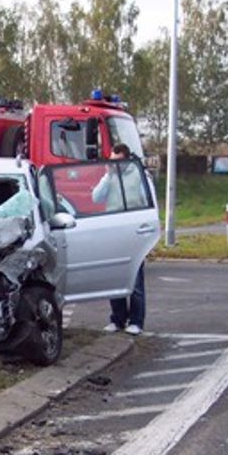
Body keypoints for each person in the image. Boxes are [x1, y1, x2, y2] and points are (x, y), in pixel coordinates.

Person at [91, 143, 147, 336]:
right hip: (114, 230)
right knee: (115, 277)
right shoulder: (110, 177)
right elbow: (96, 197)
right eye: (111, 161)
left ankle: (136, 320)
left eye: (117, 161)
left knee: (136, 279)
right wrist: (108, 176)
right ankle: (117, 318)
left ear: (126, 159)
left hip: (133, 230)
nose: (114, 164)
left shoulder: (139, 176)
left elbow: (147, 200)